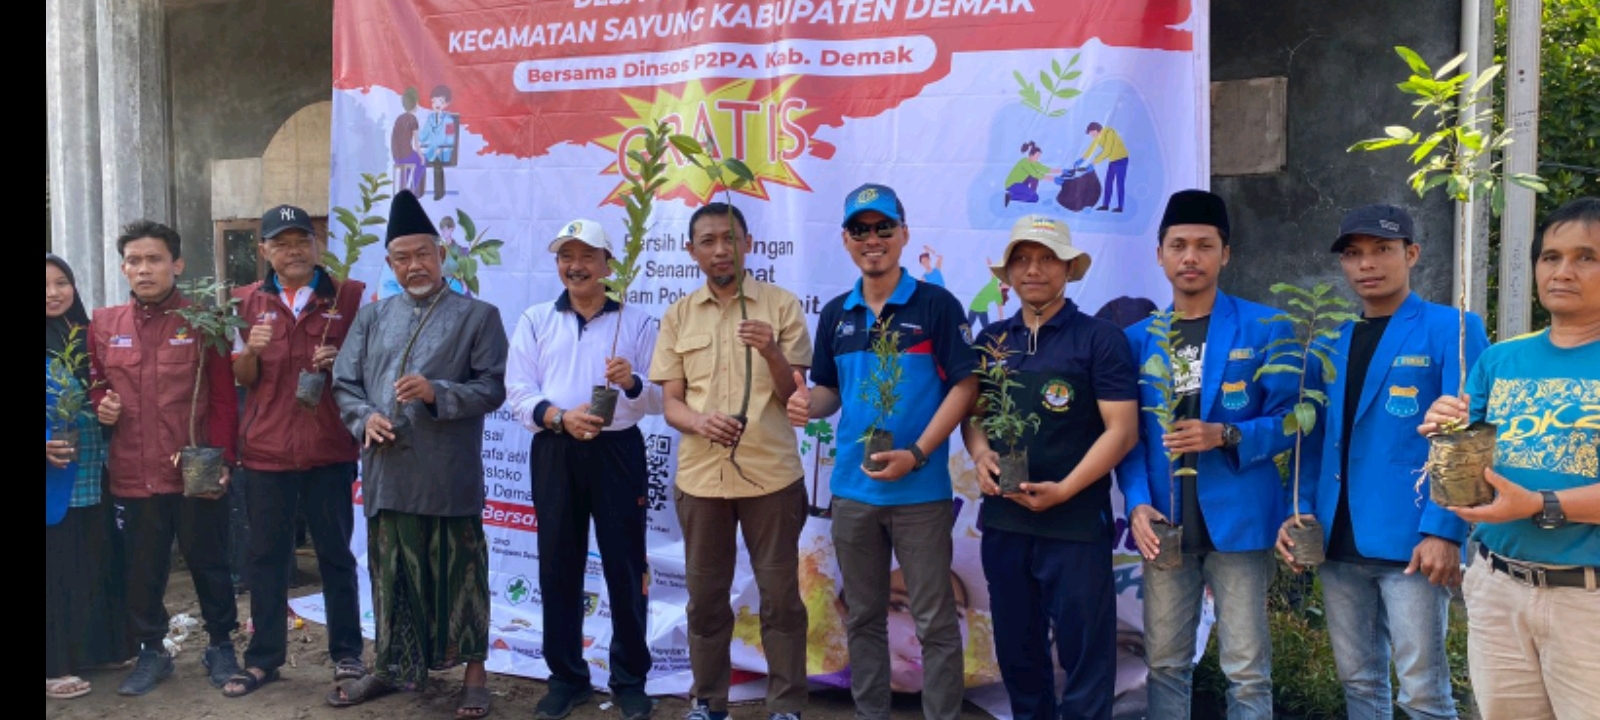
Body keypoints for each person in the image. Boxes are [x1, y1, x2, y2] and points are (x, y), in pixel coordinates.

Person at [1276, 204, 1486, 719]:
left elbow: (1471, 437)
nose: (1367, 264)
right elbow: (1314, 433)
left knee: (1423, 691)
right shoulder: (1329, 342)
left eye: (1382, 250)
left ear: (1411, 254)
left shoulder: (1451, 328)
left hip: (1412, 542)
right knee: (1359, 684)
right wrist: (1299, 508)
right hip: (1337, 539)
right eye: (1354, 254)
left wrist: (1443, 532)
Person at [788, 183, 978, 720]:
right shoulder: (836, 314)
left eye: (883, 228)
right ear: (846, 240)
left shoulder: (935, 305)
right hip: (853, 490)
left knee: (935, 619)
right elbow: (829, 391)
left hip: (920, 490)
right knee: (864, 616)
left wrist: (917, 453)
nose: (873, 239)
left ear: (903, 234)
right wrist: (807, 403)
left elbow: (965, 387)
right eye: (860, 230)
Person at [1116, 190, 1298, 719]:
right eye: (1178, 246)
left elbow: (1293, 421)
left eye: (1203, 245)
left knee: (1245, 668)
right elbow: (1128, 438)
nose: (1190, 257)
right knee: (1167, 664)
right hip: (1165, 527)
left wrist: (1227, 435)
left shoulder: (1267, 328)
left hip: (1238, 524)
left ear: (1226, 254)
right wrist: (1135, 501)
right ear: (1160, 255)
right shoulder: (1136, 340)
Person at [329, 189, 509, 719]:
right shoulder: (371, 318)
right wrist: (366, 418)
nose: (414, 266)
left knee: (463, 574)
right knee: (391, 574)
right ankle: (391, 666)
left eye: (423, 254)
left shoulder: (478, 316)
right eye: (402, 257)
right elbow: (344, 384)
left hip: (448, 474)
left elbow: (493, 389)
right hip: (387, 471)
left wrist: (437, 393)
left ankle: (474, 677)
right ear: (389, 263)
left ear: (442, 256)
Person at [1419, 196, 1600, 720]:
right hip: (1498, 587)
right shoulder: (1500, 359)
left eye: (1585, 257)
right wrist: (1442, 423)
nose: (1563, 271)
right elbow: (1464, 441)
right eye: (1550, 256)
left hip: (1586, 600)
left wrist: (1538, 504)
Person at [957, 215, 1140, 720]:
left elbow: (1121, 430)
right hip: (1005, 523)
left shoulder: (1100, 339)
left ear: (1067, 268)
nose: (1033, 269)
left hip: (1075, 524)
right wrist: (979, 453)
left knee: (1085, 653)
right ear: (1008, 273)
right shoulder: (991, 342)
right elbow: (971, 417)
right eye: (1022, 259)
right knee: (1019, 650)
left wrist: (1065, 489)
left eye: (1046, 258)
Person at [649, 203, 811, 720]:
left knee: (781, 598)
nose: (720, 249)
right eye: (708, 240)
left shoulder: (781, 306)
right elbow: (670, 403)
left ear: (748, 244)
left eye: (730, 239)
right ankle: (708, 701)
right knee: (705, 599)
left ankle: (786, 706)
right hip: (701, 478)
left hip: (772, 477)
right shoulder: (678, 314)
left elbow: (795, 397)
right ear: (692, 251)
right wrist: (698, 422)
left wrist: (771, 353)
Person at [505, 219, 664, 720]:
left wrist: (633, 382)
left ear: (608, 265)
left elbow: (661, 398)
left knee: (625, 563)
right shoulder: (534, 319)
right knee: (558, 563)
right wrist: (559, 418)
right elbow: (519, 392)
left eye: (586, 256)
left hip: (617, 451)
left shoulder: (637, 323)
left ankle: (630, 678)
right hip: (555, 448)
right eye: (565, 257)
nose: (575, 266)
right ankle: (567, 676)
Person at [88, 220, 242, 696]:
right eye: (134, 261)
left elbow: (222, 398)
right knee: (141, 567)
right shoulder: (104, 324)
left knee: (209, 561)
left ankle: (221, 646)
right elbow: (97, 384)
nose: (144, 269)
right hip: (133, 469)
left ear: (176, 264)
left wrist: (221, 459)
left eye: (154, 259)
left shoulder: (204, 320)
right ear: (123, 269)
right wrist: (102, 406)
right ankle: (151, 652)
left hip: (193, 467)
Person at [222, 205, 367, 698]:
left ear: (317, 244)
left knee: (336, 556)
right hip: (265, 452)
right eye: (281, 243)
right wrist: (252, 352)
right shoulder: (243, 303)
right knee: (265, 558)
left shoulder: (349, 296)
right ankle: (264, 659)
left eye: (301, 240)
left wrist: (340, 361)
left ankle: (347, 654)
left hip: (329, 449)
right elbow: (239, 379)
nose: (293, 250)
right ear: (264, 251)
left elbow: (369, 369)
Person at [46, 253, 131, 700]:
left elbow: (104, 393)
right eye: (45, 286)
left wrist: (111, 411)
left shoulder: (88, 337)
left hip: (94, 470)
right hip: (52, 475)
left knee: (95, 562)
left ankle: (100, 649)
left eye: (62, 282)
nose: (54, 293)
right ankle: (53, 664)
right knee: (55, 572)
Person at [1079, 123, 1129, 213]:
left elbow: (1107, 151)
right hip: (1113, 161)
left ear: (1095, 130)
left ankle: (1120, 207)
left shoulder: (1110, 133)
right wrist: (1082, 160)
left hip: (1121, 160)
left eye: (1091, 133)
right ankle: (1105, 205)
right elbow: (1091, 148)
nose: (1091, 136)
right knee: (1108, 182)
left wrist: (1093, 163)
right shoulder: (1097, 137)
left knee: (1119, 183)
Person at [390, 87, 424, 196]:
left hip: (396, 156)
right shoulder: (413, 119)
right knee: (421, 161)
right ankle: (413, 189)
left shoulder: (399, 119)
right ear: (415, 103)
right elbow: (416, 143)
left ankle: (403, 187)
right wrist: (421, 156)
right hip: (406, 155)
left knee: (411, 161)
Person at [1004, 141, 1057, 207]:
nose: (1038, 158)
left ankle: (1029, 193)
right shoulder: (1024, 162)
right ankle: (1010, 196)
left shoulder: (1034, 162)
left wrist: (1063, 171)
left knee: (1035, 198)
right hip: (1012, 184)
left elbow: (1045, 169)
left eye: (1039, 156)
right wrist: (1055, 179)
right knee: (1034, 177)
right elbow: (1036, 174)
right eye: (1037, 156)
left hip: (1021, 184)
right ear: (1031, 155)